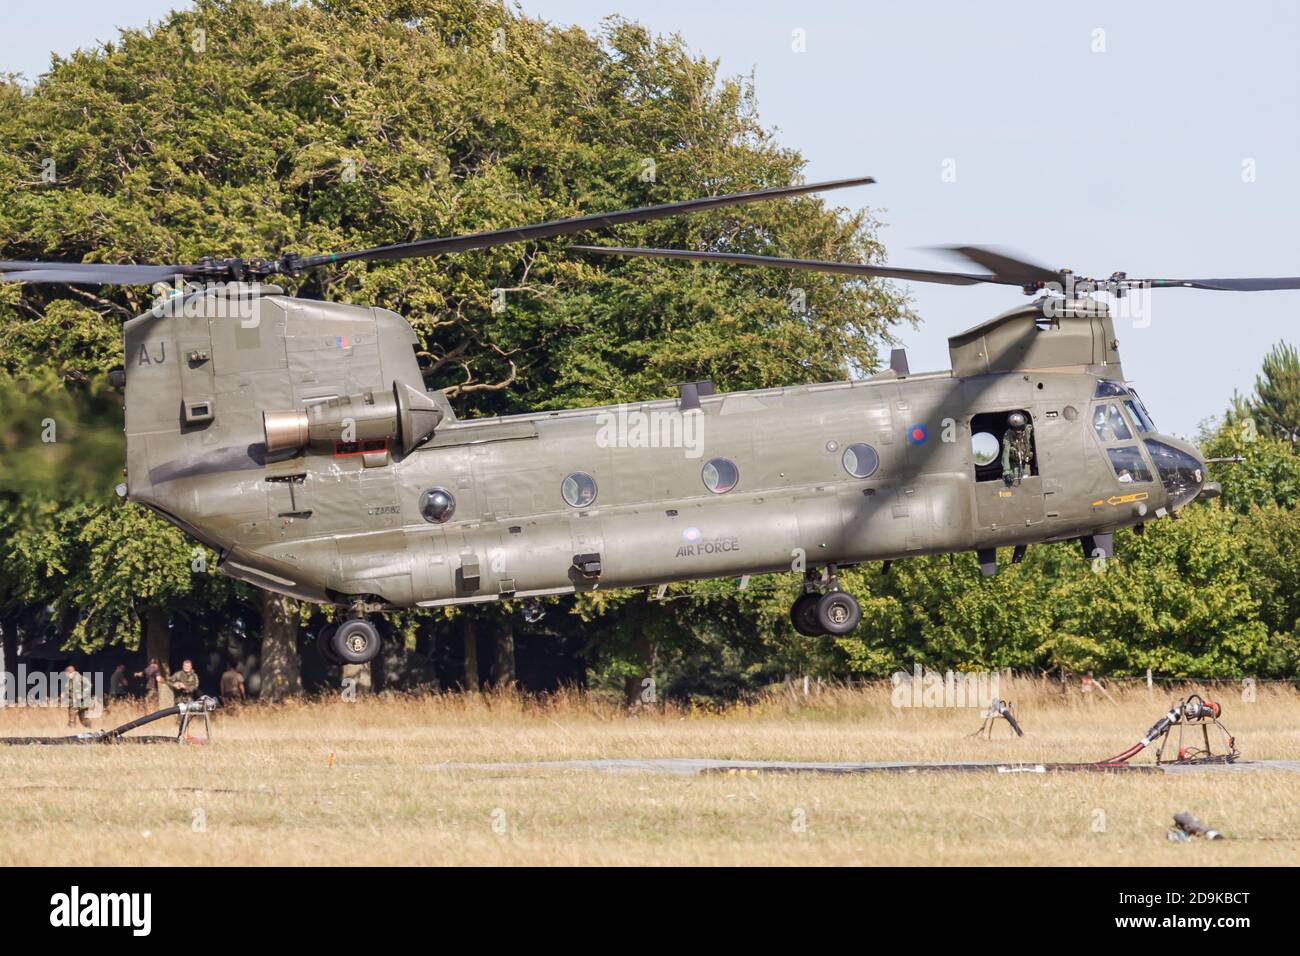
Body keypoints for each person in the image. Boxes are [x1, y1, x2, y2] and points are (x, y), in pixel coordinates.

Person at [1001, 411, 1034, 485]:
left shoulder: (1029, 429)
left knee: (1027, 483)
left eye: (1020, 428)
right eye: (1015, 429)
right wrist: (1007, 472)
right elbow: (1005, 453)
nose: (1018, 431)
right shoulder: (1008, 435)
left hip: (1026, 463)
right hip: (1014, 465)